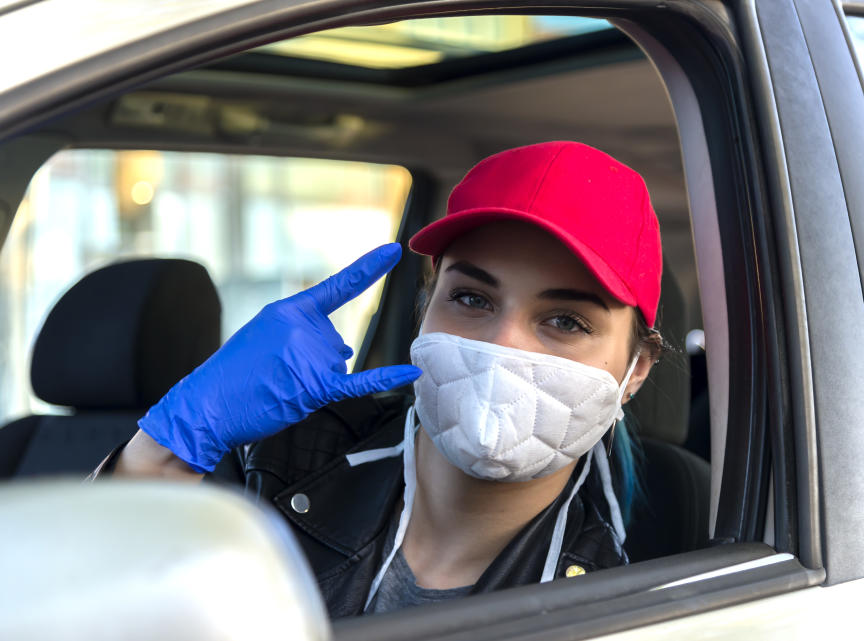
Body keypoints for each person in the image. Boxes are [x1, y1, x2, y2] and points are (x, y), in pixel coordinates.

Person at [98, 141, 664, 617]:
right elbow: (95, 613)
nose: (502, 345)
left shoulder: (625, 597)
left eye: (566, 321)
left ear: (634, 370)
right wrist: (171, 444)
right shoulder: (273, 460)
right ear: (425, 310)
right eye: (471, 298)